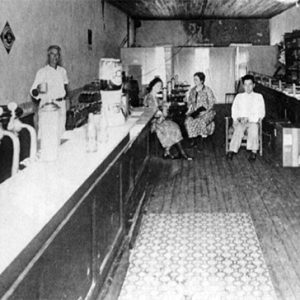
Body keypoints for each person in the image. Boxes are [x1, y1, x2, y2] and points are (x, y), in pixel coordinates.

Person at [144, 77, 192, 160]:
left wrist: (165, 105)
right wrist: (163, 111)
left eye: (160, 86)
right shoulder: (149, 98)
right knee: (172, 127)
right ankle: (179, 153)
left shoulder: (154, 97)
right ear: (153, 85)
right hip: (153, 123)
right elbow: (153, 112)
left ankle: (171, 152)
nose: (159, 87)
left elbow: (160, 105)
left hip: (159, 120)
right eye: (158, 85)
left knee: (175, 126)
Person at [30, 45, 69, 137]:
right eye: (52, 54)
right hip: (48, 106)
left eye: (57, 54)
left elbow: (65, 88)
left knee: (61, 132)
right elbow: (33, 92)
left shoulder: (62, 71)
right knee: (47, 134)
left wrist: (67, 101)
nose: (55, 57)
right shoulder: (42, 72)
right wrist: (38, 90)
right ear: (48, 56)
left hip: (61, 105)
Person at [226, 74, 265, 162]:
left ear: (254, 85)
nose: (248, 87)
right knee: (239, 129)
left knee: (254, 128)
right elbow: (234, 110)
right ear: (243, 86)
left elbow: (261, 113)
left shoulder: (259, 97)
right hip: (241, 121)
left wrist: (250, 119)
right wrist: (238, 118)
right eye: (245, 85)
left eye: (250, 84)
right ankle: (232, 150)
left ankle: (253, 152)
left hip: (253, 122)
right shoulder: (239, 97)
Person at [185, 72, 216, 148]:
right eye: (194, 79)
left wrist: (205, 112)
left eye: (196, 79)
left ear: (201, 81)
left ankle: (202, 141)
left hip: (207, 112)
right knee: (188, 121)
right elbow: (190, 102)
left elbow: (212, 102)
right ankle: (193, 140)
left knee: (201, 121)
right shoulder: (192, 90)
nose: (194, 81)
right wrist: (189, 109)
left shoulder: (207, 90)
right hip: (195, 112)